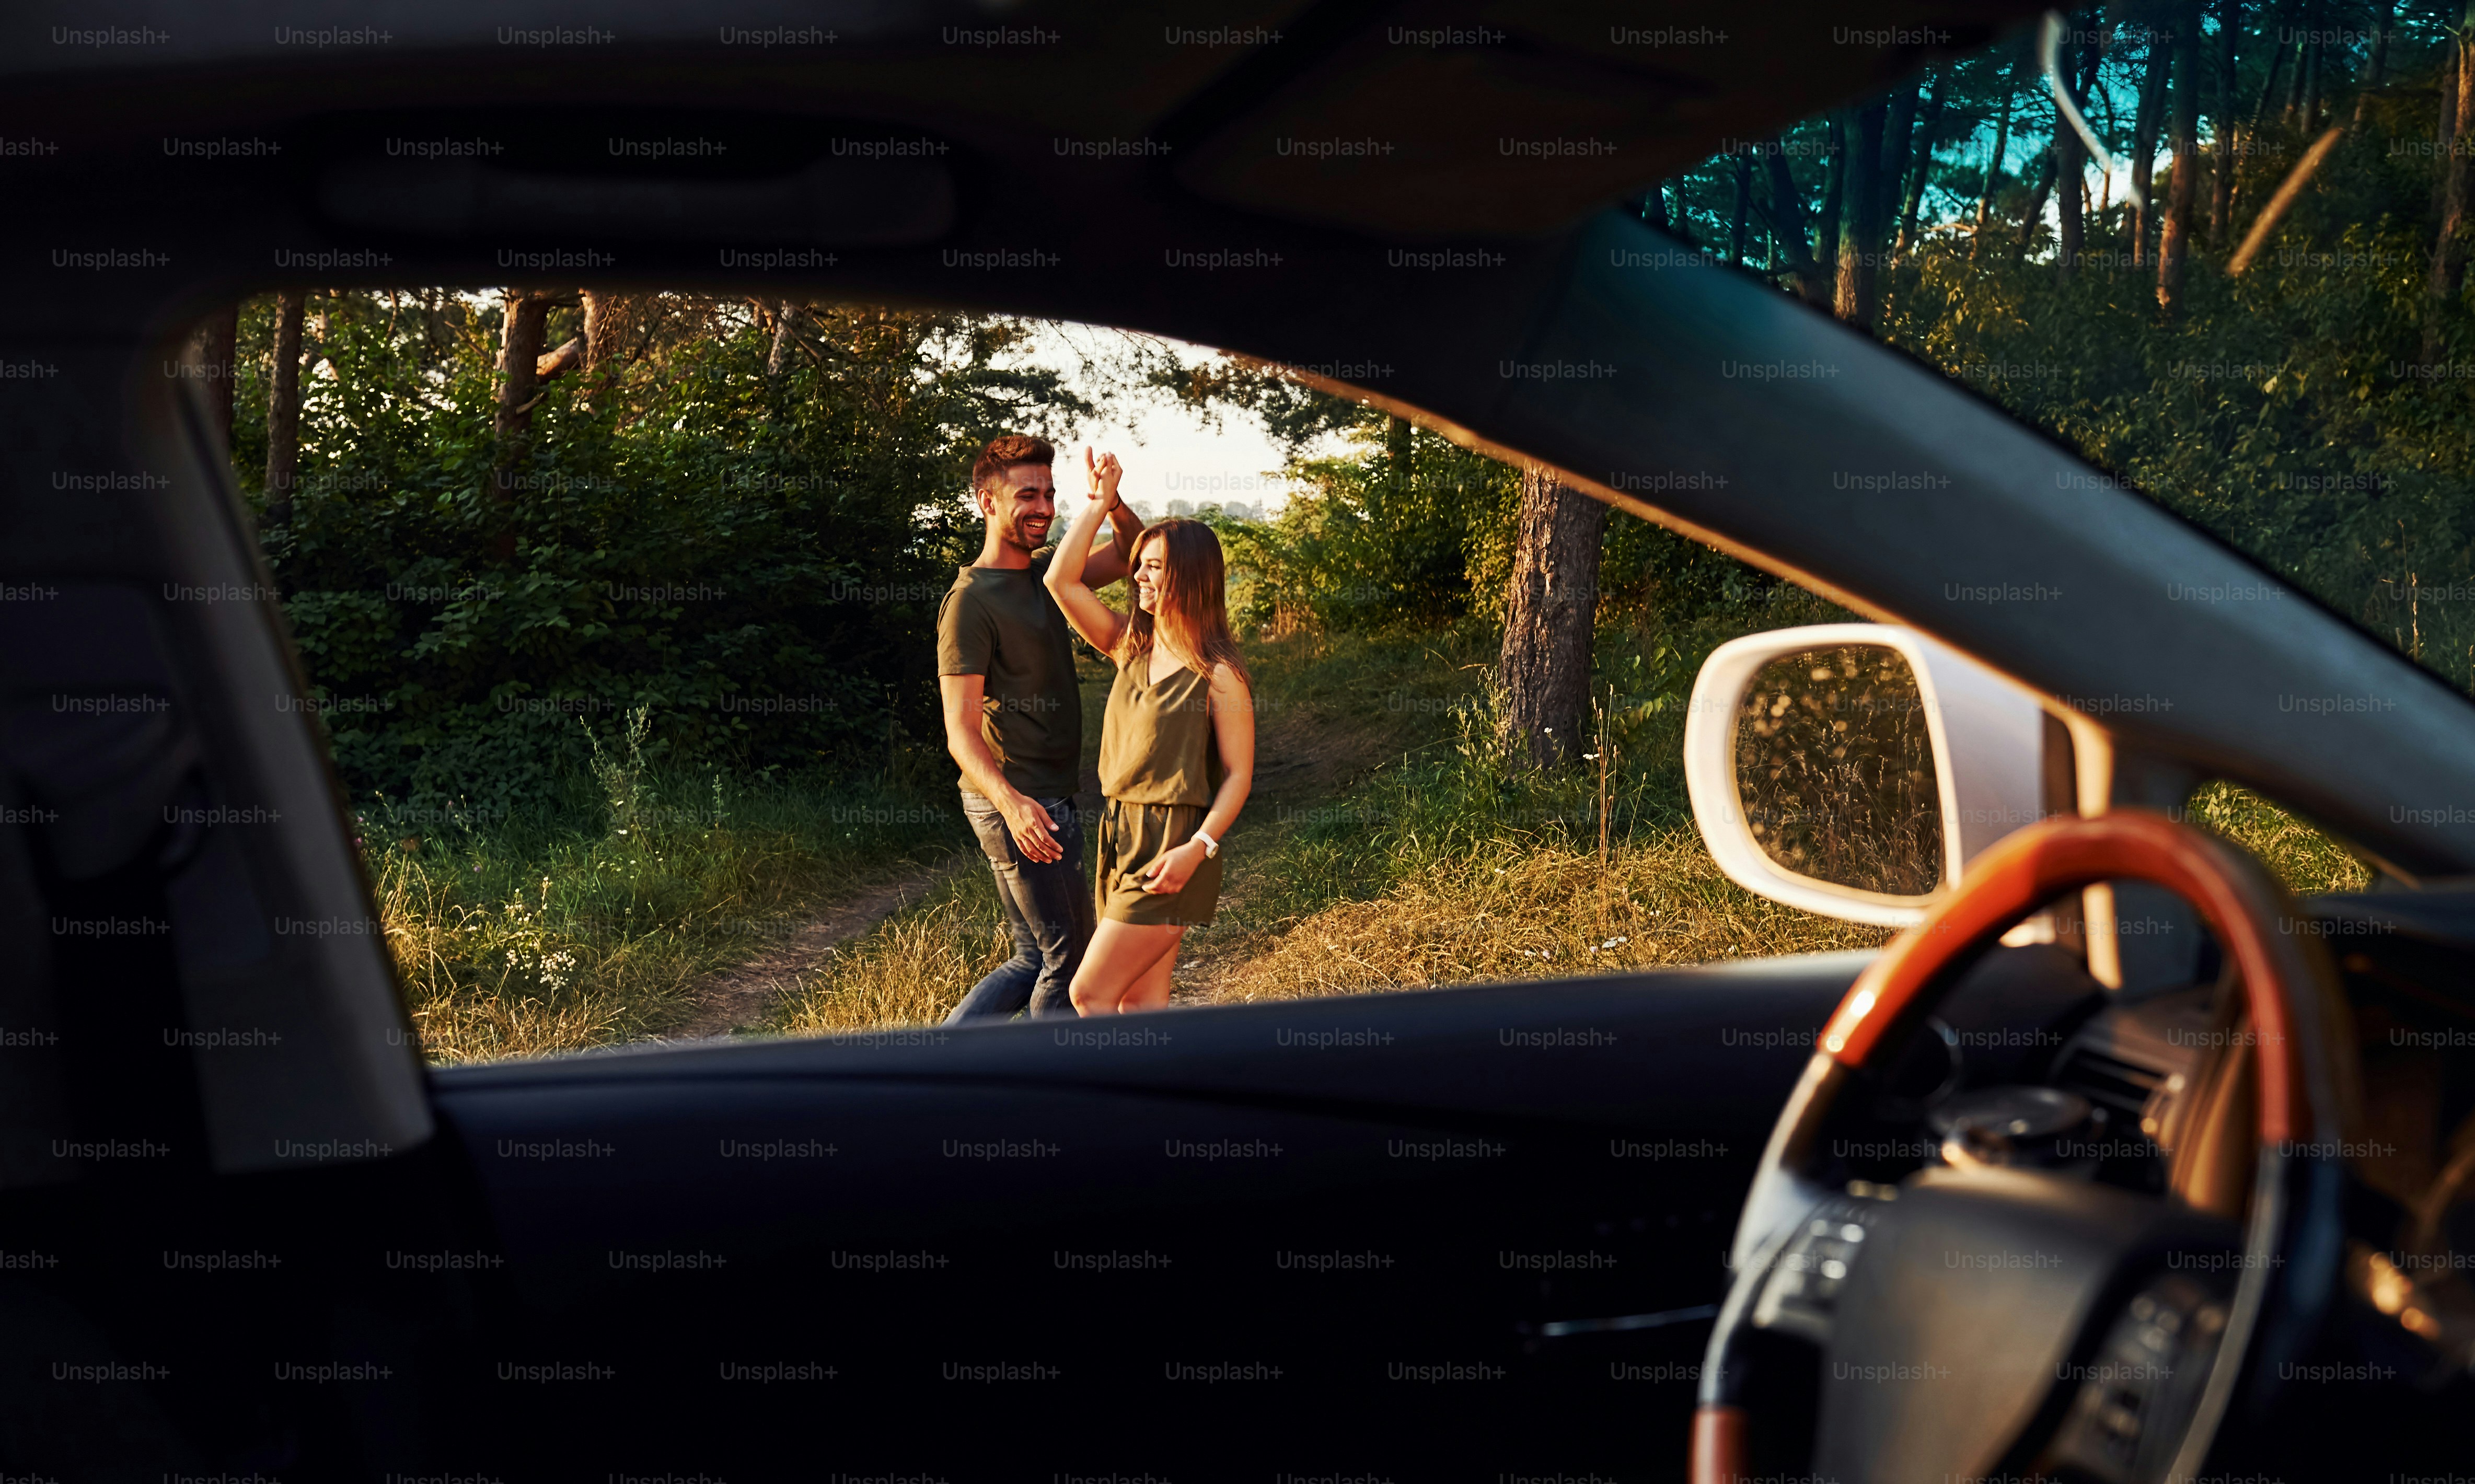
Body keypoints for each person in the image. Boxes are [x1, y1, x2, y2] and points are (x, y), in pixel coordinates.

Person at [936, 434, 1143, 1022]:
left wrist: (1110, 499)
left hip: (1044, 793)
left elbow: (1135, 553)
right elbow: (959, 729)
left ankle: (941, 1069)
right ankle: (1047, 1084)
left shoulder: (1048, 577)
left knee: (1033, 957)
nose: (1044, 508)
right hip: (1020, 799)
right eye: (1027, 495)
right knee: (1068, 960)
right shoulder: (969, 602)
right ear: (987, 501)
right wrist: (1015, 805)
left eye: (1050, 495)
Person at [1043, 448, 1255, 1015]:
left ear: (1188, 574)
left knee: (1089, 993)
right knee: (1140, 1004)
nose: (1136, 574)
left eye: (1154, 565)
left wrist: (1198, 848)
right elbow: (1059, 580)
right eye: (1139, 563)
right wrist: (1100, 503)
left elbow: (1238, 775)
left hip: (1175, 842)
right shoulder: (1126, 647)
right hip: (1119, 830)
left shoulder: (1219, 673)